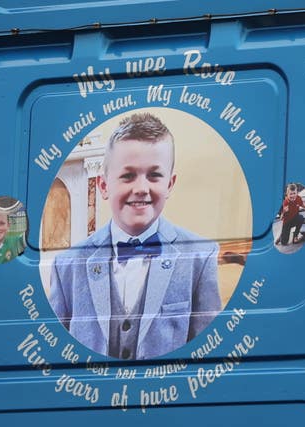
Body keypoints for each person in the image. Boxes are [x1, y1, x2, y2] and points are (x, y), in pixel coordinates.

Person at [48, 113, 221, 360]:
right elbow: (55, 353)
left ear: (170, 184)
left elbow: (208, 354)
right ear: (104, 185)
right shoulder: (66, 266)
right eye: (128, 175)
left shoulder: (200, 258)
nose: (141, 188)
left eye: (154, 175)